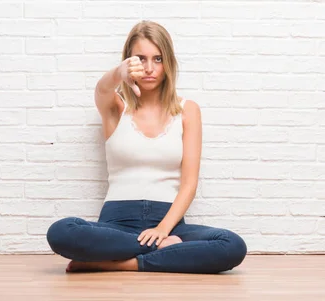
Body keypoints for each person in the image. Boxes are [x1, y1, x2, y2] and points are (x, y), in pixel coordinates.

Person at [46, 20, 247, 274]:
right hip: (116, 225)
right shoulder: (116, 107)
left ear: (168, 63)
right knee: (61, 232)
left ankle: (123, 263)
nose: (150, 68)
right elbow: (101, 88)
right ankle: (165, 253)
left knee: (232, 245)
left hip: (170, 224)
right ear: (128, 62)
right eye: (141, 59)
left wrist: (163, 230)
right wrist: (118, 73)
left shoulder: (188, 110)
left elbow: (189, 185)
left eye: (158, 59)